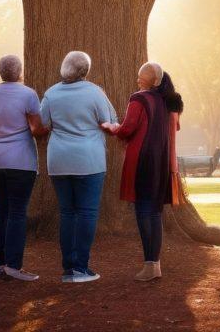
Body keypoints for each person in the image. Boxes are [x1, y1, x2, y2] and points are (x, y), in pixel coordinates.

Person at [39, 50, 117, 283]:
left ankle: (68, 267)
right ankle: (81, 268)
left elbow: (42, 124)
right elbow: (108, 122)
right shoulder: (94, 92)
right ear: (85, 71)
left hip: (59, 160)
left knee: (67, 213)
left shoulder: (51, 93)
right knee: (87, 213)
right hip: (89, 160)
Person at [103, 62, 184, 281]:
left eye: (142, 75)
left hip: (141, 161)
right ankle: (154, 264)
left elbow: (128, 128)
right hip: (161, 162)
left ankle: (150, 265)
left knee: (143, 211)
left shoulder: (139, 98)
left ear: (153, 80)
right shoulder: (165, 101)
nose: (138, 78)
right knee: (155, 212)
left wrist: (112, 128)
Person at [0, 54, 44, 282]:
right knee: (17, 212)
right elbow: (36, 128)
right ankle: (14, 266)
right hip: (20, 161)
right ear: (20, 72)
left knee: (1, 211)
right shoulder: (28, 94)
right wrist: (50, 129)